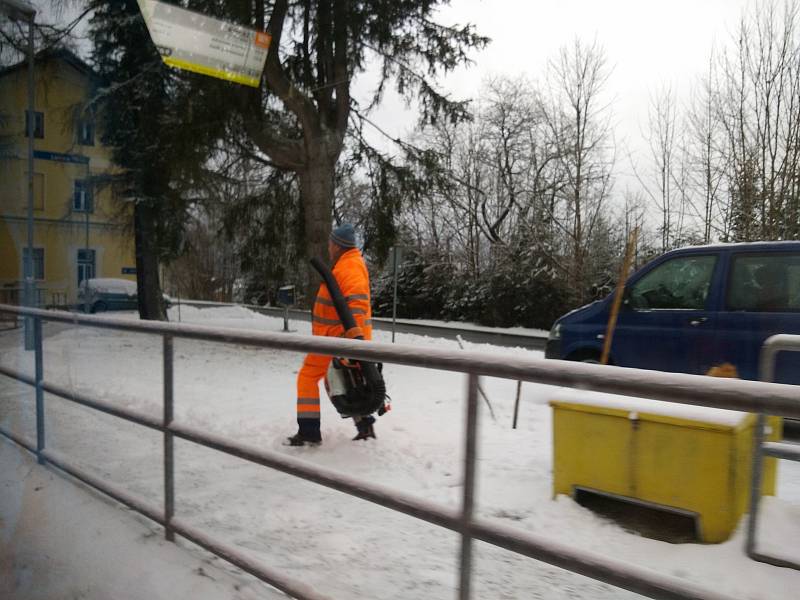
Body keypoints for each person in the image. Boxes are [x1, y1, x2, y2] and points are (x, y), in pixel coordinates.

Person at [287, 223, 377, 446]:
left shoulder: (349, 266)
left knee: (308, 377)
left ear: (337, 245)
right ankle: (365, 427)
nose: (328, 247)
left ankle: (309, 432)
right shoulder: (348, 264)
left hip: (336, 339)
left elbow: (356, 301)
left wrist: (352, 339)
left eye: (330, 242)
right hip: (338, 338)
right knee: (347, 382)